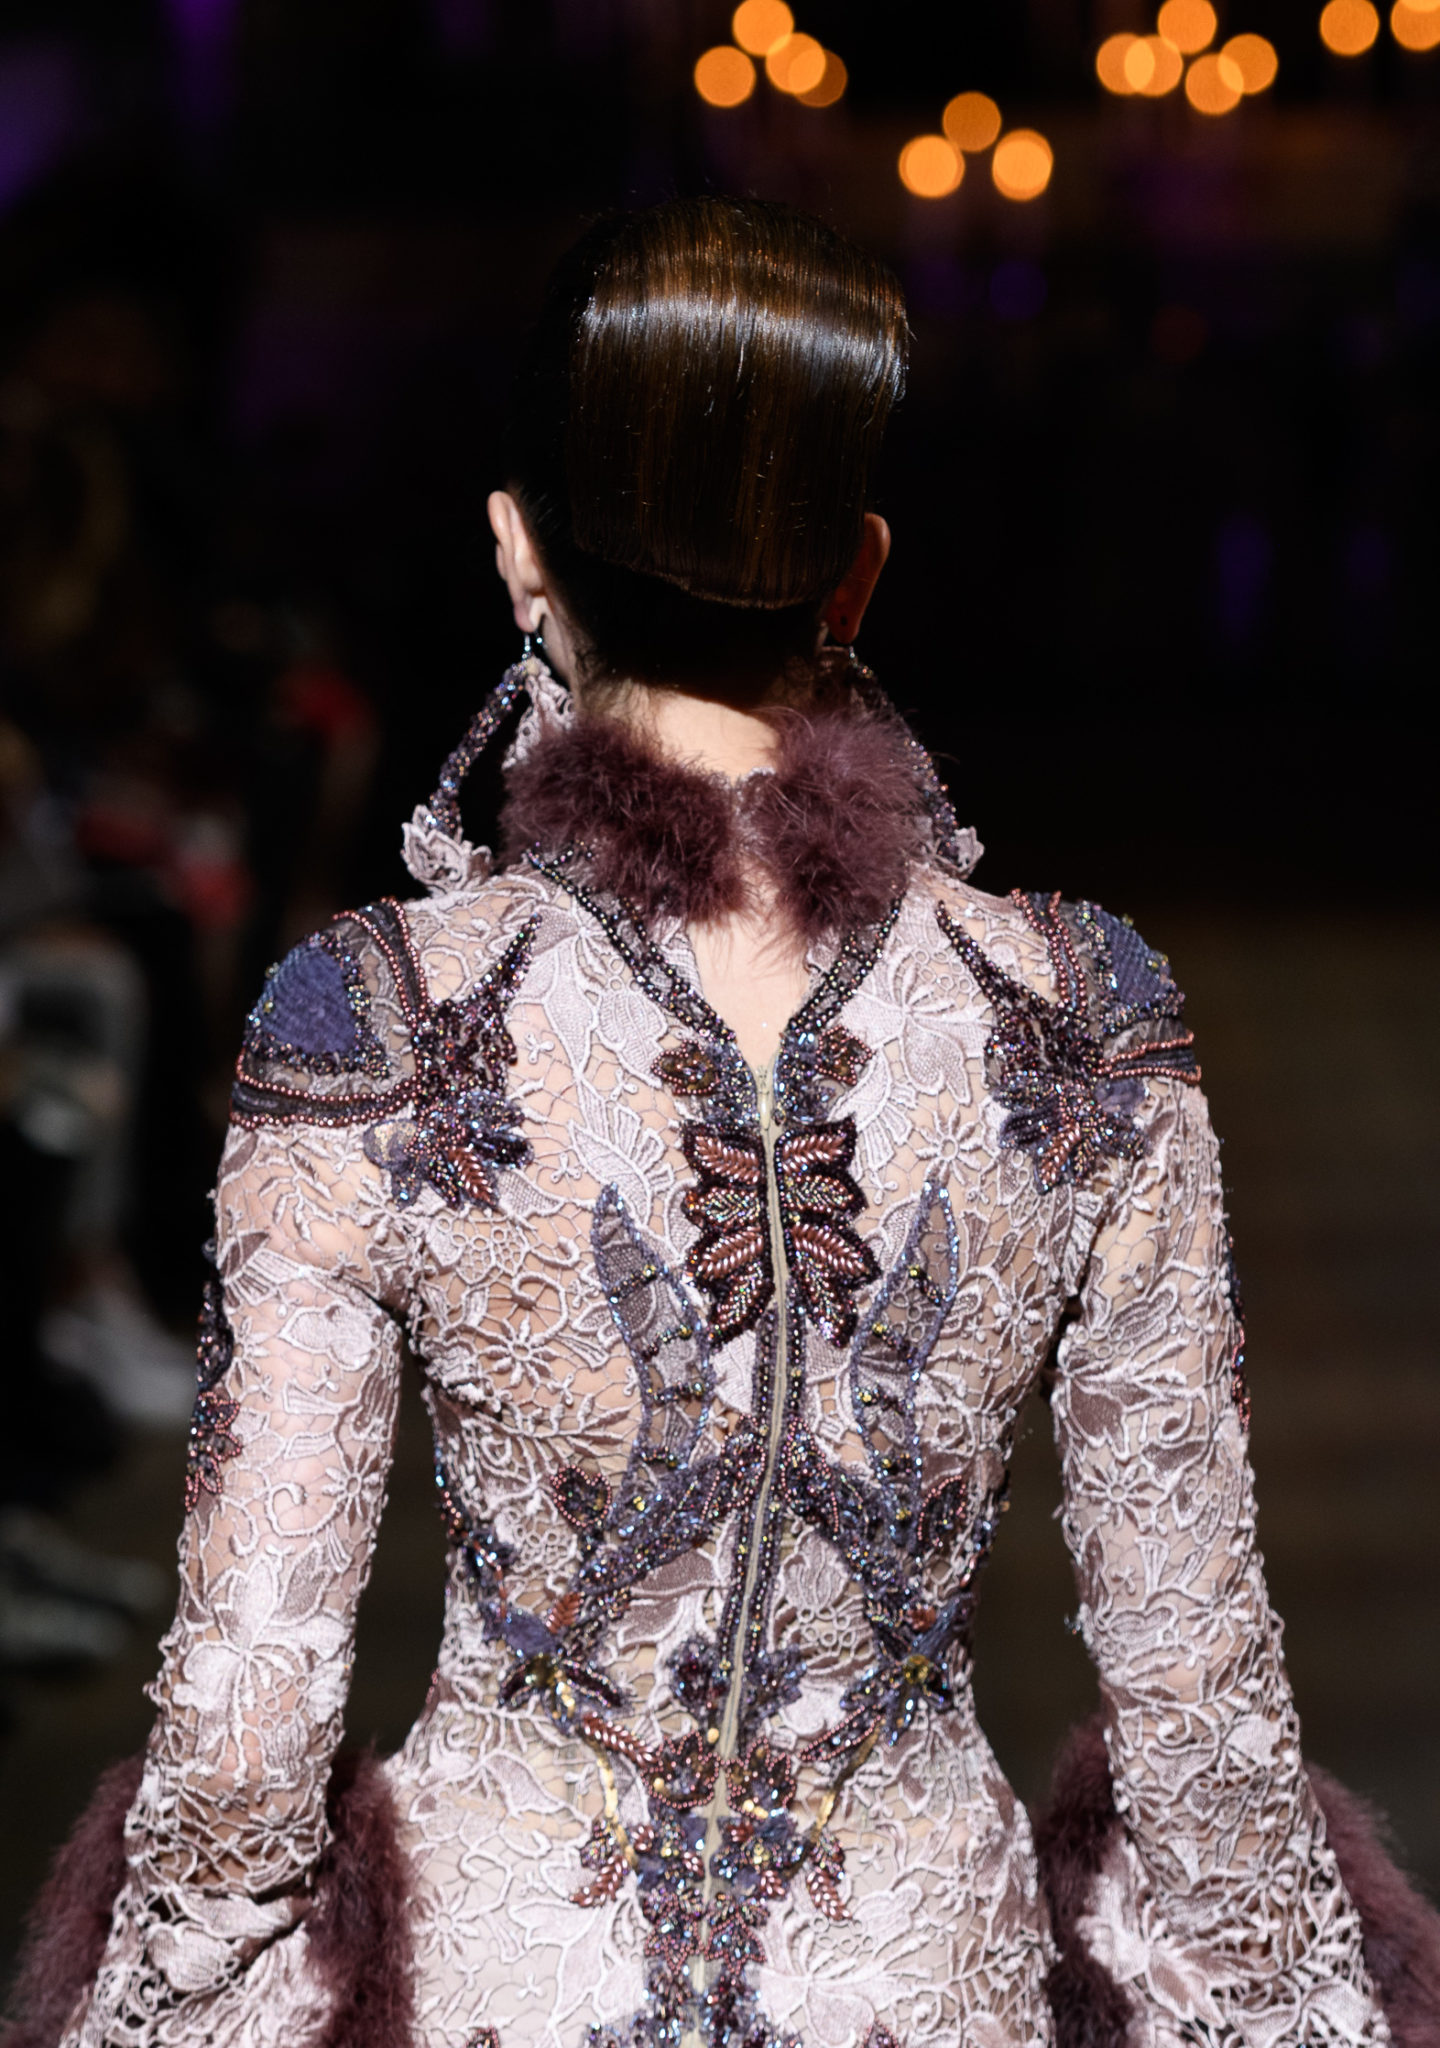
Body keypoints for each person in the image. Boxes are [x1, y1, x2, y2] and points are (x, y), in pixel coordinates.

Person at [7, 197, 1437, 2048]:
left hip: (509, 1989)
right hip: (920, 1992)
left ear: (519, 552)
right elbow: (1206, 1727)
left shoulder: (378, 1027)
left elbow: (245, 1741)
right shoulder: (1084, 1023)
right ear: (856, 576)